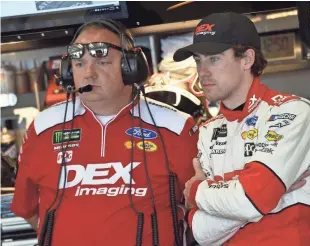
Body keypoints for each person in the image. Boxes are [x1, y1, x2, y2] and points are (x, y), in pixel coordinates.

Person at [11, 19, 199, 246]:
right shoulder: (43, 128)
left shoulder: (176, 127)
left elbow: (200, 209)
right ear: (69, 72)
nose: (88, 74)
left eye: (102, 62)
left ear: (131, 67)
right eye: (79, 64)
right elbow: (29, 210)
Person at [174, 12, 310, 246]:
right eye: (198, 60)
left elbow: (251, 199)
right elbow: (200, 230)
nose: (203, 71)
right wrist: (269, 195)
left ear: (247, 59)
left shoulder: (292, 114)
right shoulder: (207, 131)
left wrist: (198, 191)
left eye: (214, 59)